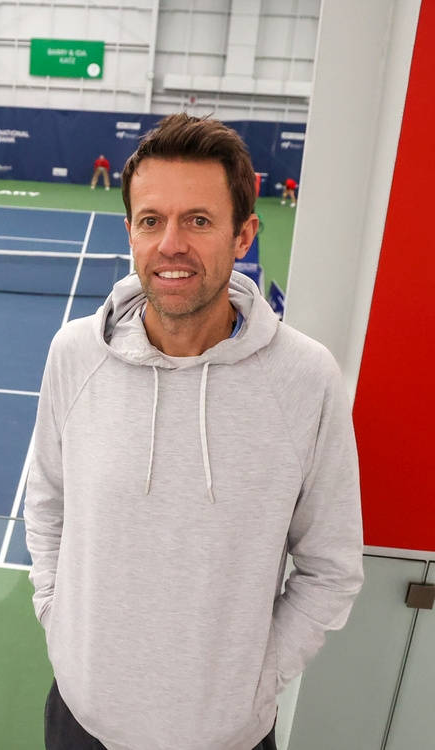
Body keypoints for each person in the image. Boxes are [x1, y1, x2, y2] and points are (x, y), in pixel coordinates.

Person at [24, 113, 363, 750]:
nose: (171, 243)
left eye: (198, 220)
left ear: (244, 236)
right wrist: (56, 614)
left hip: (226, 737)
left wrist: (257, 684)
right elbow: (46, 498)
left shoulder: (307, 378)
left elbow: (330, 569)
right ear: (130, 232)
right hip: (80, 720)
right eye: (151, 220)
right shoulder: (74, 354)